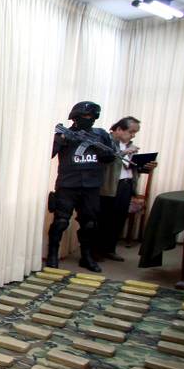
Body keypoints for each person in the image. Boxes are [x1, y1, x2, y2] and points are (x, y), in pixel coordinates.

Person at [46, 101, 116, 272]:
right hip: (68, 185)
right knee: (61, 222)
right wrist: (62, 141)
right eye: (85, 116)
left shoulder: (101, 135)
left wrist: (105, 153)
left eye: (92, 117)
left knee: (90, 224)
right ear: (75, 117)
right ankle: (52, 255)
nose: (89, 119)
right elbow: (49, 154)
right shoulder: (63, 134)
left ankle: (86, 256)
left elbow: (111, 157)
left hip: (91, 186)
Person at [97, 116, 157, 261]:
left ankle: (109, 249)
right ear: (118, 129)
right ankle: (96, 251)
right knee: (103, 220)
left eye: (135, 132)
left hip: (126, 185)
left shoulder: (129, 145)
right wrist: (125, 152)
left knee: (118, 220)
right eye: (131, 131)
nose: (133, 135)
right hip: (108, 186)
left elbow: (129, 167)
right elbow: (105, 160)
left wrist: (145, 166)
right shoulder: (105, 141)